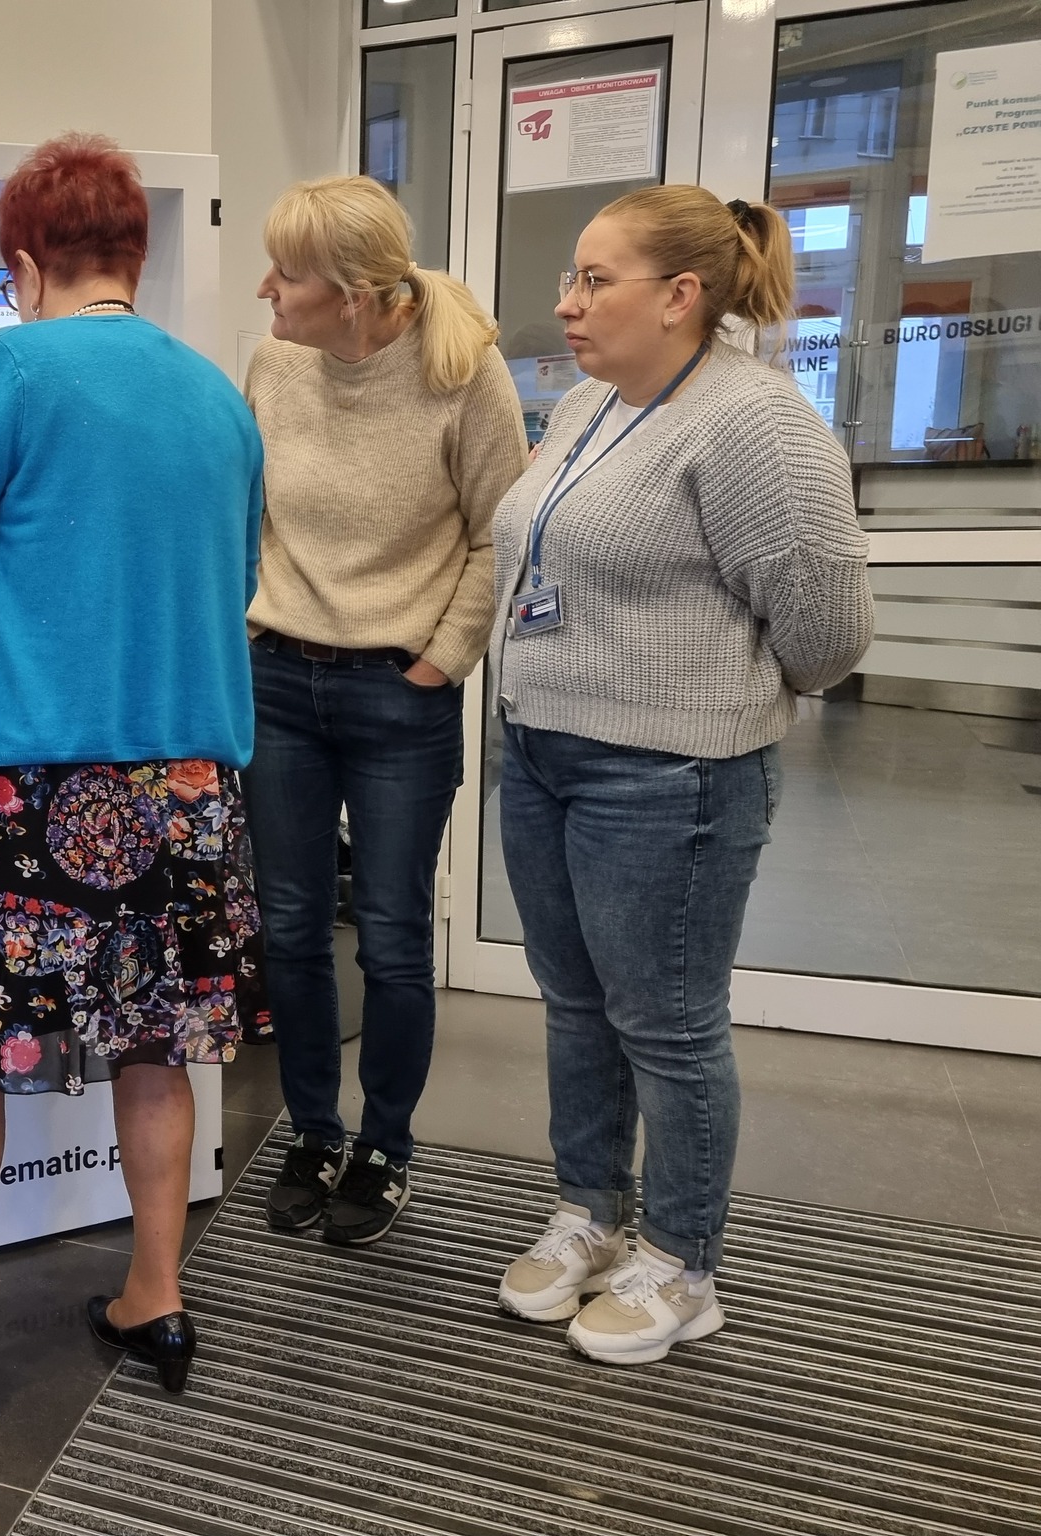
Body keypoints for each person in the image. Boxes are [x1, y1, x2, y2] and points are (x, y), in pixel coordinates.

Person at [0, 133, 268, 1416]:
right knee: (158, 1048)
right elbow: (232, 582)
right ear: (130, 258)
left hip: (19, 791)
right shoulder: (216, 397)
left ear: (26, 264)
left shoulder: (9, 366)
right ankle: (156, 1296)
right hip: (184, 790)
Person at [490, 186, 873, 1364]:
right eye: (569, 277)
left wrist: (720, 698)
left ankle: (681, 1261)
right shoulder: (591, 403)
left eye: (593, 279)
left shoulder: (754, 424)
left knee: (666, 1025)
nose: (566, 302)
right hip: (541, 748)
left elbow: (826, 631)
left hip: (670, 774)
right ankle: (589, 1213)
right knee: (573, 1006)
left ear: (680, 295)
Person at [245, 177, 526, 1245]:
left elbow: (498, 535)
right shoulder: (274, 363)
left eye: (287, 274)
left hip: (397, 694)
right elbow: (245, 510)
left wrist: (439, 661)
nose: (265, 289)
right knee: (288, 926)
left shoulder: (463, 374)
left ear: (355, 296)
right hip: (278, 681)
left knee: (396, 940)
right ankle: (312, 1134)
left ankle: (384, 1149)